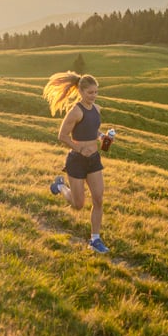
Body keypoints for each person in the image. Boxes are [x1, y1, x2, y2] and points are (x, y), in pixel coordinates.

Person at [42, 71, 112, 253]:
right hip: (77, 161)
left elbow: (93, 130)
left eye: (96, 92)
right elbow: (62, 136)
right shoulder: (75, 111)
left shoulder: (97, 109)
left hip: (94, 160)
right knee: (78, 204)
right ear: (81, 92)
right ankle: (60, 187)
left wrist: (102, 136)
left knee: (98, 199)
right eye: (90, 93)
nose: (94, 96)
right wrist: (78, 148)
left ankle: (95, 239)